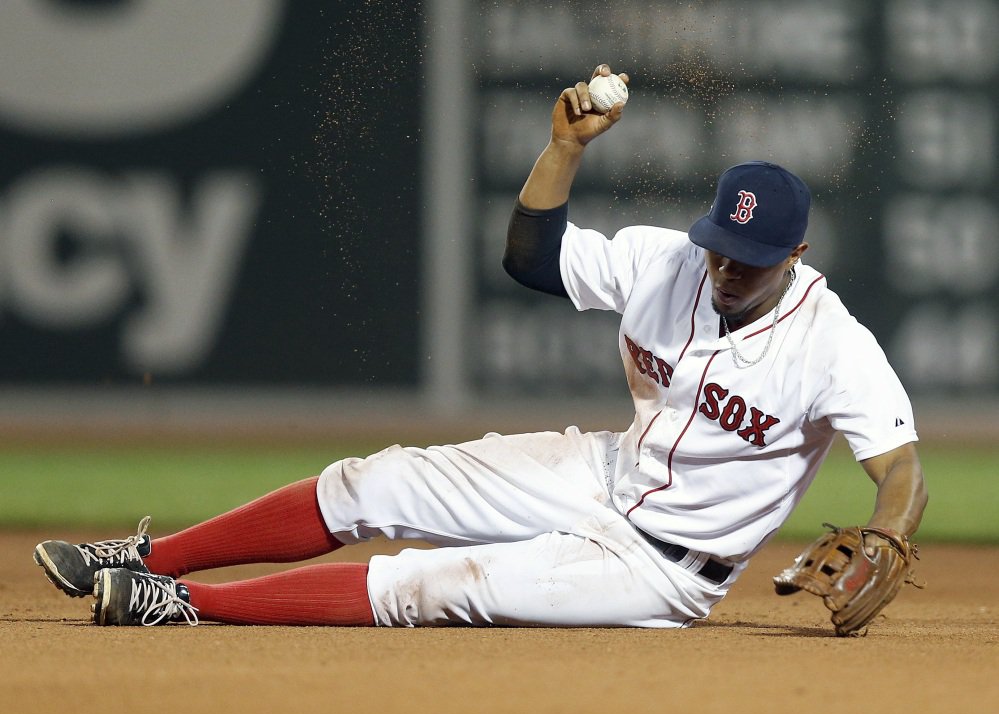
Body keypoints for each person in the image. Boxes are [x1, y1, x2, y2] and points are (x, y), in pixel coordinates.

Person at [34, 64, 927, 629]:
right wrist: (561, 150)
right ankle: (149, 559)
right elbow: (530, 258)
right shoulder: (667, 261)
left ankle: (181, 606)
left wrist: (887, 539)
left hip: (661, 569)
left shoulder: (832, 344)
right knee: (370, 481)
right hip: (603, 475)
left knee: (431, 585)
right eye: (720, 248)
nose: (727, 268)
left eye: (752, 259)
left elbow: (901, 472)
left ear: (796, 256)